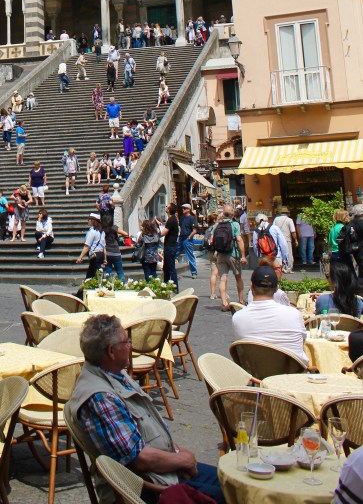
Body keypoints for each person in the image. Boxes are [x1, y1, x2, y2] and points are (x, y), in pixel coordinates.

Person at [66, 315, 224, 503]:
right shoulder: (101, 397)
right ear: (111, 351)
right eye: (127, 341)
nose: (131, 346)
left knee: (230, 482)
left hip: (160, 470)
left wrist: (178, 453)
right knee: (230, 493)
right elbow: (138, 459)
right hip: (145, 487)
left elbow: (146, 436)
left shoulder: (114, 374)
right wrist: (184, 460)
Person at [232, 266, 308, 363]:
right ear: (276, 288)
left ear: (251, 287)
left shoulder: (238, 317)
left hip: (255, 374)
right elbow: (302, 343)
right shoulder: (294, 314)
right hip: (291, 374)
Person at [213, 203, 247, 310]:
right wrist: (243, 255)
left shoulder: (217, 225)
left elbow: (212, 240)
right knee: (238, 277)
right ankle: (241, 300)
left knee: (223, 278)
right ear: (232, 214)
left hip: (220, 255)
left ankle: (224, 302)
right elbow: (239, 240)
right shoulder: (234, 224)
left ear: (223, 214)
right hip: (233, 254)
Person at [253, 212, 290, 277]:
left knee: (264, 277)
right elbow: (283, 244)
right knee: (277, 278)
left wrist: (259, 257)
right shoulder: (275, 228)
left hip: (263, 258)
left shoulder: (256, 231)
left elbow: (255, 246)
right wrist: (285, 259)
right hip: (276, 257)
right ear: (267, 220)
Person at [76, 213, 106, 280]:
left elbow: (87, 246)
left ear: (92, 220)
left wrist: (80, 257)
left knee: (94, 275)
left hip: (94, 255)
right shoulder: (102, 232)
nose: (88, 221)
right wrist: (105, 258)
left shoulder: (92, 232)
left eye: (89, 219)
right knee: (91, 275)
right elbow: (104, 247)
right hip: (100, 254)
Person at [273, 206, 298, 273]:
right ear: (287, 213)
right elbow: (293, 231)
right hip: (286, 239)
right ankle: (289, 268)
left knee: (279, 254)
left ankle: (280, 267)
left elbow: (273, 229)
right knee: (288, 254)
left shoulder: (276, 219)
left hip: (278, 240)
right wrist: (296, 240)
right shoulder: (289, 220)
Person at [176, 204, 198, 279]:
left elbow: (195, 230)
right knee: (175, 253)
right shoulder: (182, 218)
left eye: (184, 208)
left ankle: (194, 272)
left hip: (187, 239)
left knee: (190, 255)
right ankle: (170, 270)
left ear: (188, 209)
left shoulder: (191, 218)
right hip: (181, 238)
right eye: (182, 208)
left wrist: (189, 237)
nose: (183, 210)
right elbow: (180, 227)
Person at [103, 213, 127, 279]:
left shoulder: (102, 229)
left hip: (107, 252)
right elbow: (125, 234)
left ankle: (108, 286)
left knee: (108, 272)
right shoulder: (114, 228)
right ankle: (123, 285)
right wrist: (117, 236)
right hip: (115, 251)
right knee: (120, 272)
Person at [162, 204, 179, 291]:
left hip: (170, 246)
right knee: (166, 267)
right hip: (170, 245)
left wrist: (156, 233)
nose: (165, 208)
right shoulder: (172, 219)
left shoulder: (171, 220)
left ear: (169, 209)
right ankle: (166, 285)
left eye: (167, 207)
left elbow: (164, 232)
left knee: (170, 267)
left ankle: (175, 287)